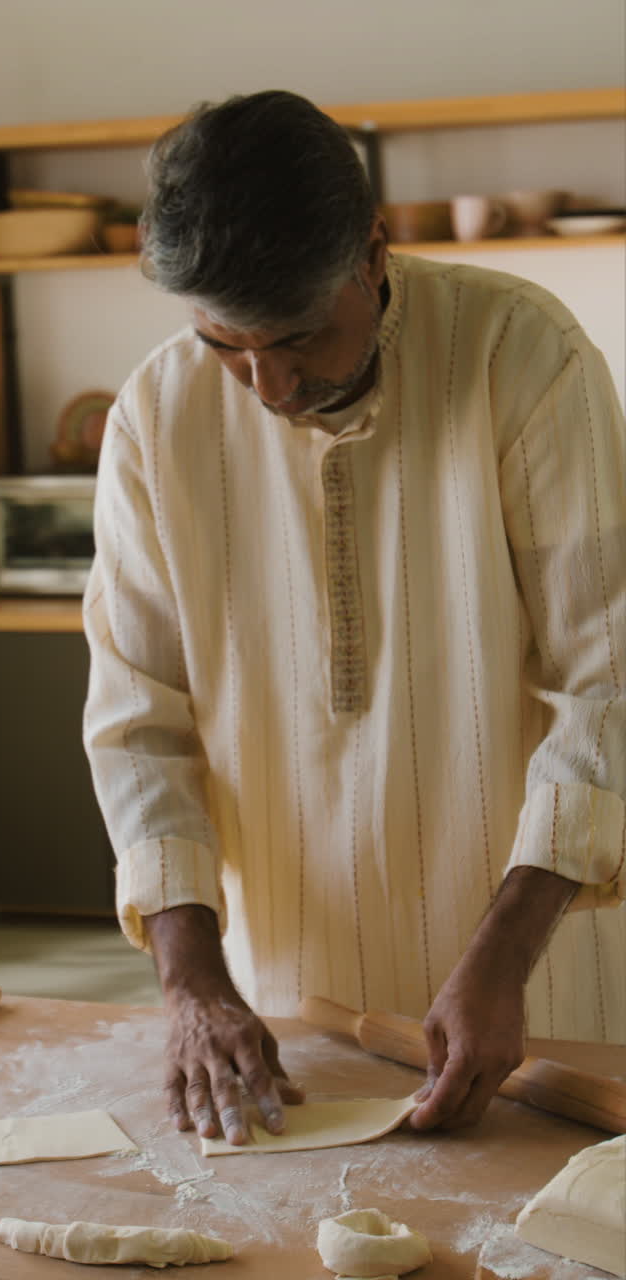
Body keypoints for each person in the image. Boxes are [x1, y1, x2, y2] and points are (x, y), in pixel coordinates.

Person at [83, 90, 625, 1147]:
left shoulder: (527, 360)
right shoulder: (153, 417)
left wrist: (505, 956)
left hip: (541, 984)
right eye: (224, 347)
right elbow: (138, 719)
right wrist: (193, 981)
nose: (270, 386)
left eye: (296, 339)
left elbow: (607, 680)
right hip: (295, 1009)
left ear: (373, 253)